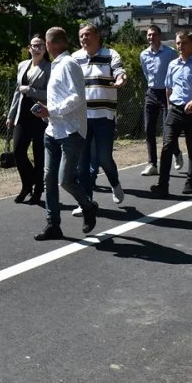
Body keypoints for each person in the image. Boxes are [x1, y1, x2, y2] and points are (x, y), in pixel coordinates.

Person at [32, 27, 99, 240]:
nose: (44, 48)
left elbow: (77, 97)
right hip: (53, 131)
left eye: (45, 44)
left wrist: (51, 110)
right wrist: (46, 111)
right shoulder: (56, 65)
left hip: (71, 132)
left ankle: (88, 206)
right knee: (49, 179)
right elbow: (61, 97)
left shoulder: (69, 64)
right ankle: (53, 225)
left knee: (65, 180)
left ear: (52, 44)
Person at [72, 23, 126, 211]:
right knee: (82, 163)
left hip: (104, 116)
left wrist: (120, 79)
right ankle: (86, 201)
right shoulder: (75, 58)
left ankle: (114, 182)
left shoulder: (111, 54)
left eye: (87, 35)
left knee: (104, 158)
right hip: (82, 118)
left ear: (97, 36)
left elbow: (119, 71)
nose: (84, 39)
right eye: (81, 36)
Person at [150, 31, 192, 198]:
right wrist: (169, 107)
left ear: (191, 44)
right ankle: (163, 185)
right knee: (167, 146)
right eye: (177, 43)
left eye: (183, 43)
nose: (180, 46)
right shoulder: (172, 65)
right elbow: (168, 88)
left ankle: (190, 182)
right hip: (174, 110)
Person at [5, 35, 51, 204]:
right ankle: (27, 184)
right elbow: (17, 92)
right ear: (29, 48)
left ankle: (38, 190)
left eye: (40, 45)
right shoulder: (22, 65)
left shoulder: (49, 68)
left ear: (45, 48)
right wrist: (11, 115)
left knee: (39, 156)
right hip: (22, 115)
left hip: (40, 116)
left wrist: (30, 90)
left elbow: (50, 94)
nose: (37, 48)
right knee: (18, 152)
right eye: (34, 45)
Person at [140, 25, 183, 176]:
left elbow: (176, 72)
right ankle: (152, 164)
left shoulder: (170, 53)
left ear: (160, 36)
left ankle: (176, 152)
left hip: (167, 93)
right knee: (149, 129)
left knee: (167, 131)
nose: (151, 37)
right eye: (149, 35)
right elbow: (146, 73)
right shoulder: (143, 55)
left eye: (153, 34)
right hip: (151, 92)